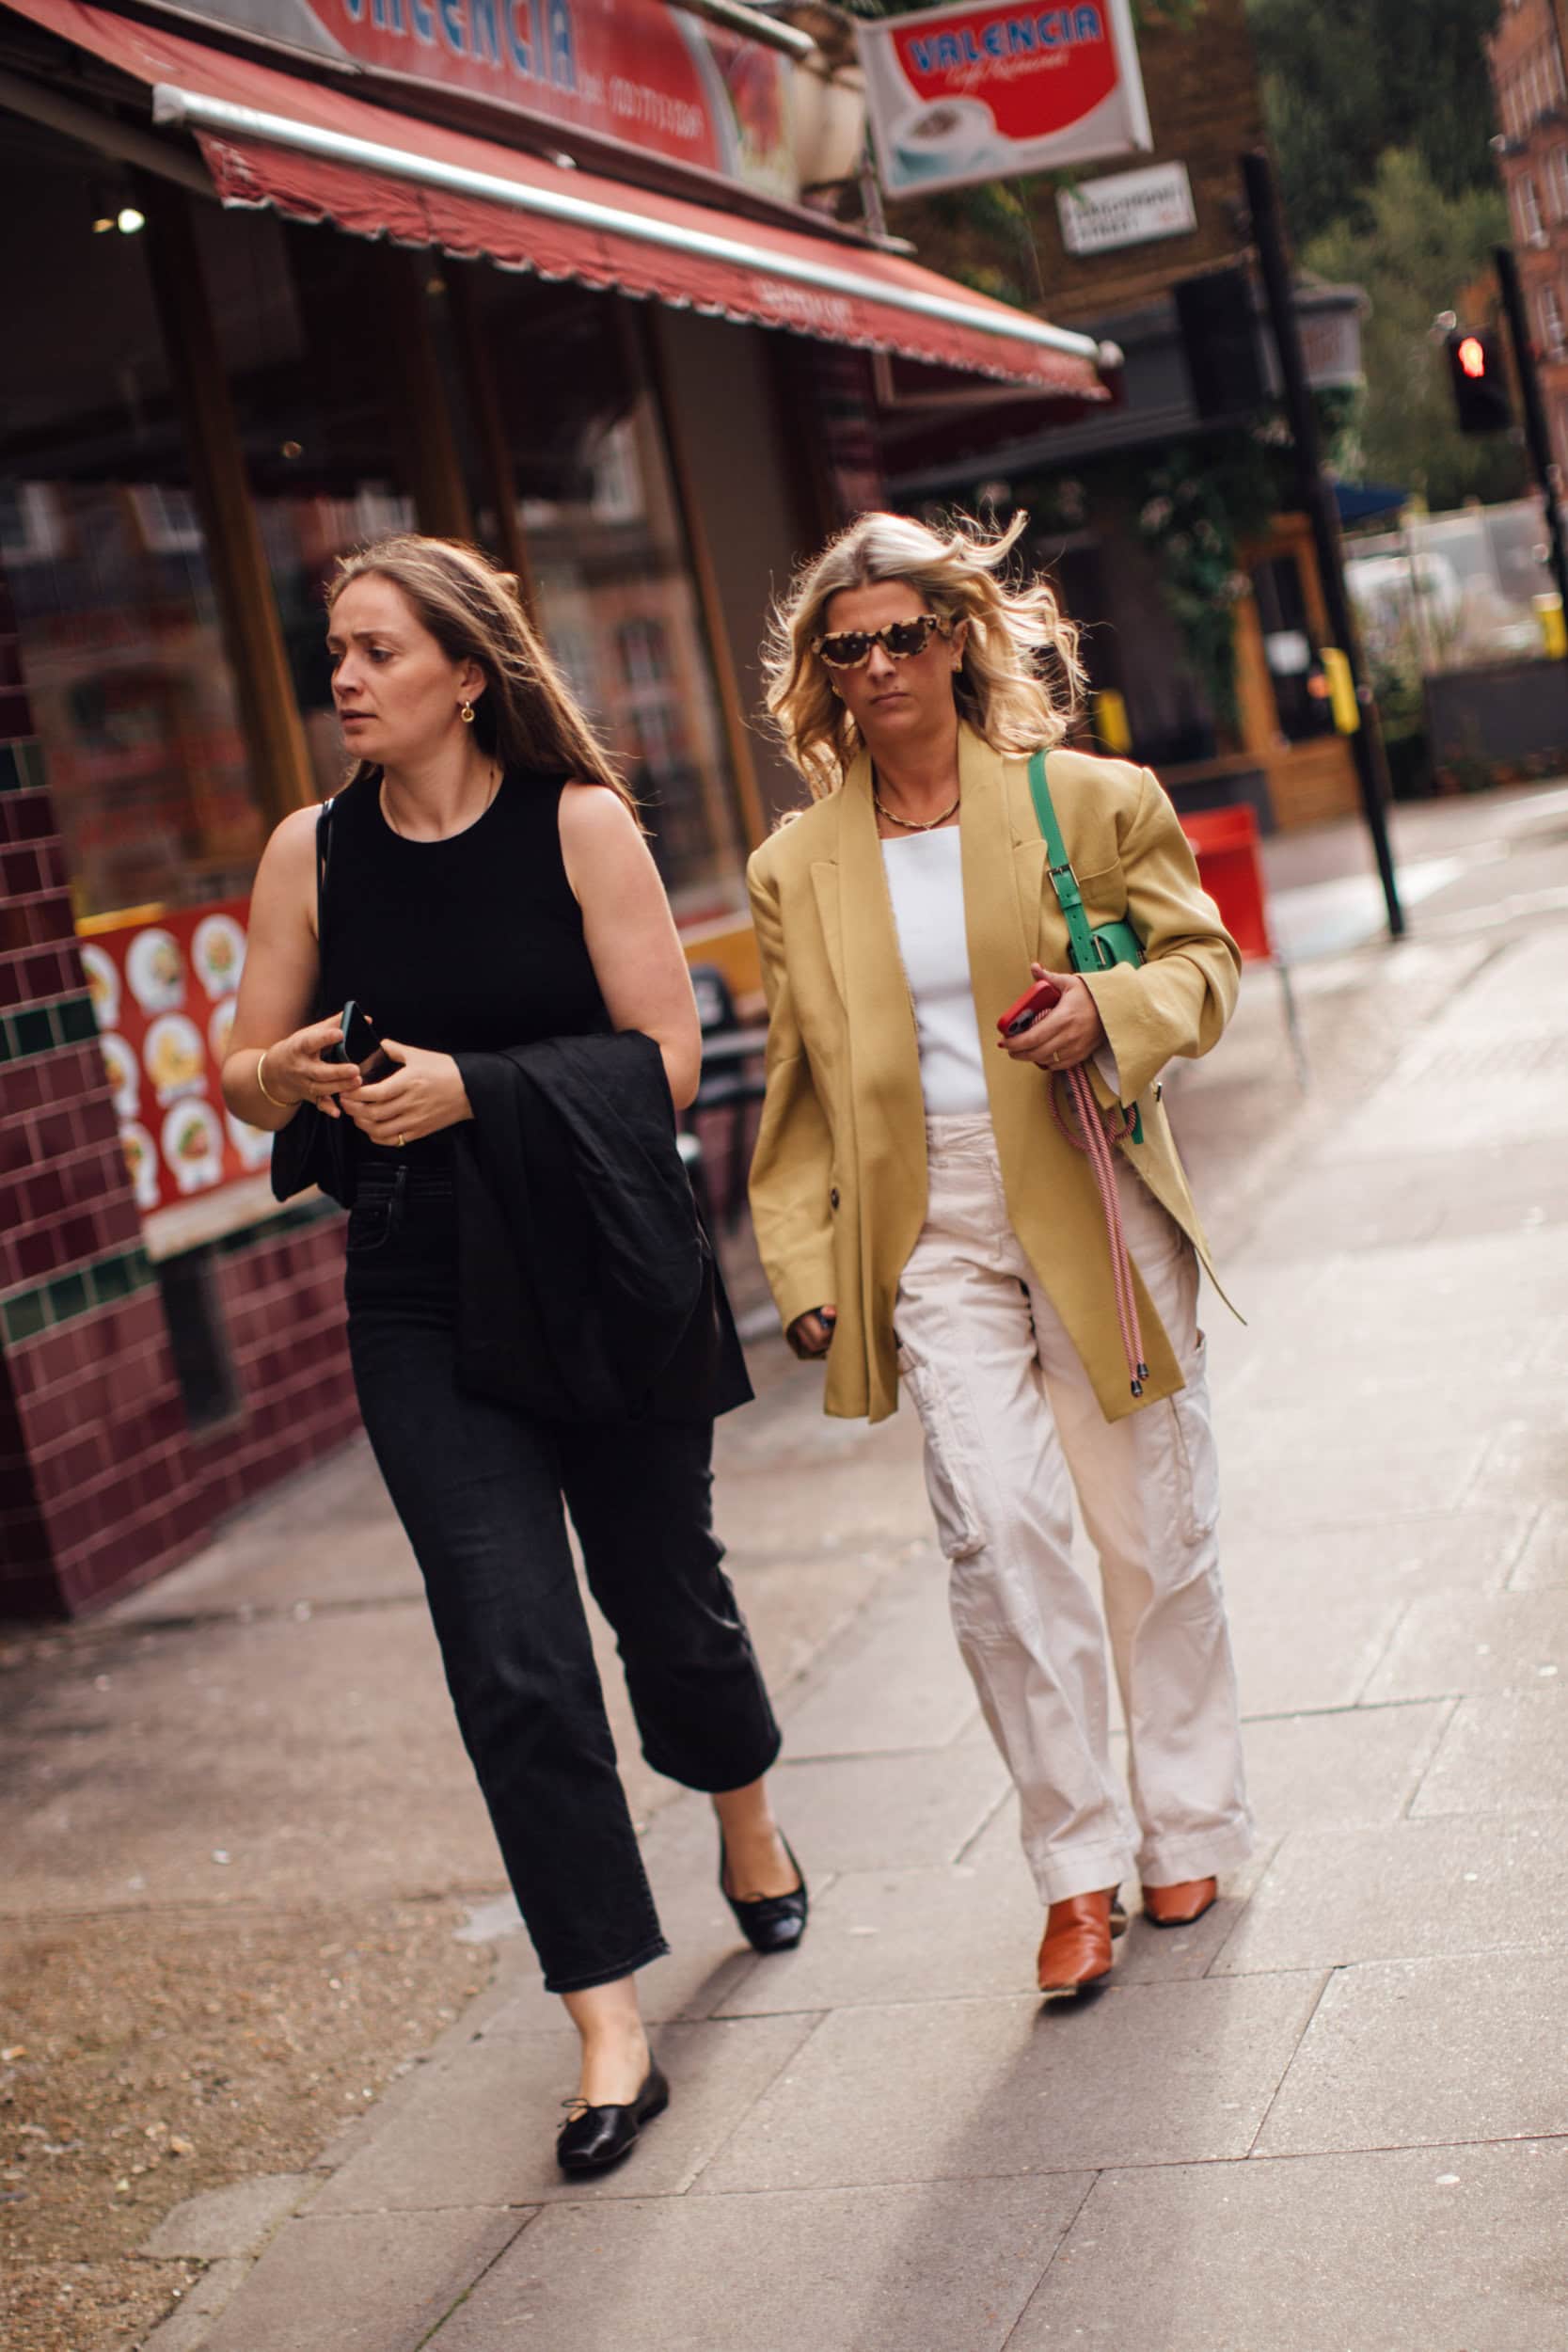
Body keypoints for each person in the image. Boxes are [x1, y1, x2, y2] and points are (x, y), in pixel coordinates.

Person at [222, 534, 804, 2175]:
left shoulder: (579, 822)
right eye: (335, 650)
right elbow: (241, 1078)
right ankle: (608, 2016)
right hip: (419, 1286)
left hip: (602, 1265)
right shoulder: (308, 853)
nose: (344, 677)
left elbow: (667, 1057)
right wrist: (294, 1073)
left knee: (666, 1602)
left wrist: (476, 1088)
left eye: (379, 650)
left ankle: (746, 1814)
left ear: (468, 675)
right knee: (512, 1655)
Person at [747, 509, 1252, 1998]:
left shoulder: (1087, 799)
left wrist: (1110, 1012)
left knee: (1151, 1529)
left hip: (1087, 1182)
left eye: (905, 635)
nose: (878, 666)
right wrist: (806, 1269)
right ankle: (1075, 1867)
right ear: (823, 671)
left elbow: (1205, 962)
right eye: (847, 647)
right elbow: (796, 1088)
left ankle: (1188, 1822)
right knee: (999, 1533)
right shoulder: (796, 867)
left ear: (958, 636)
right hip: (926, 1223)